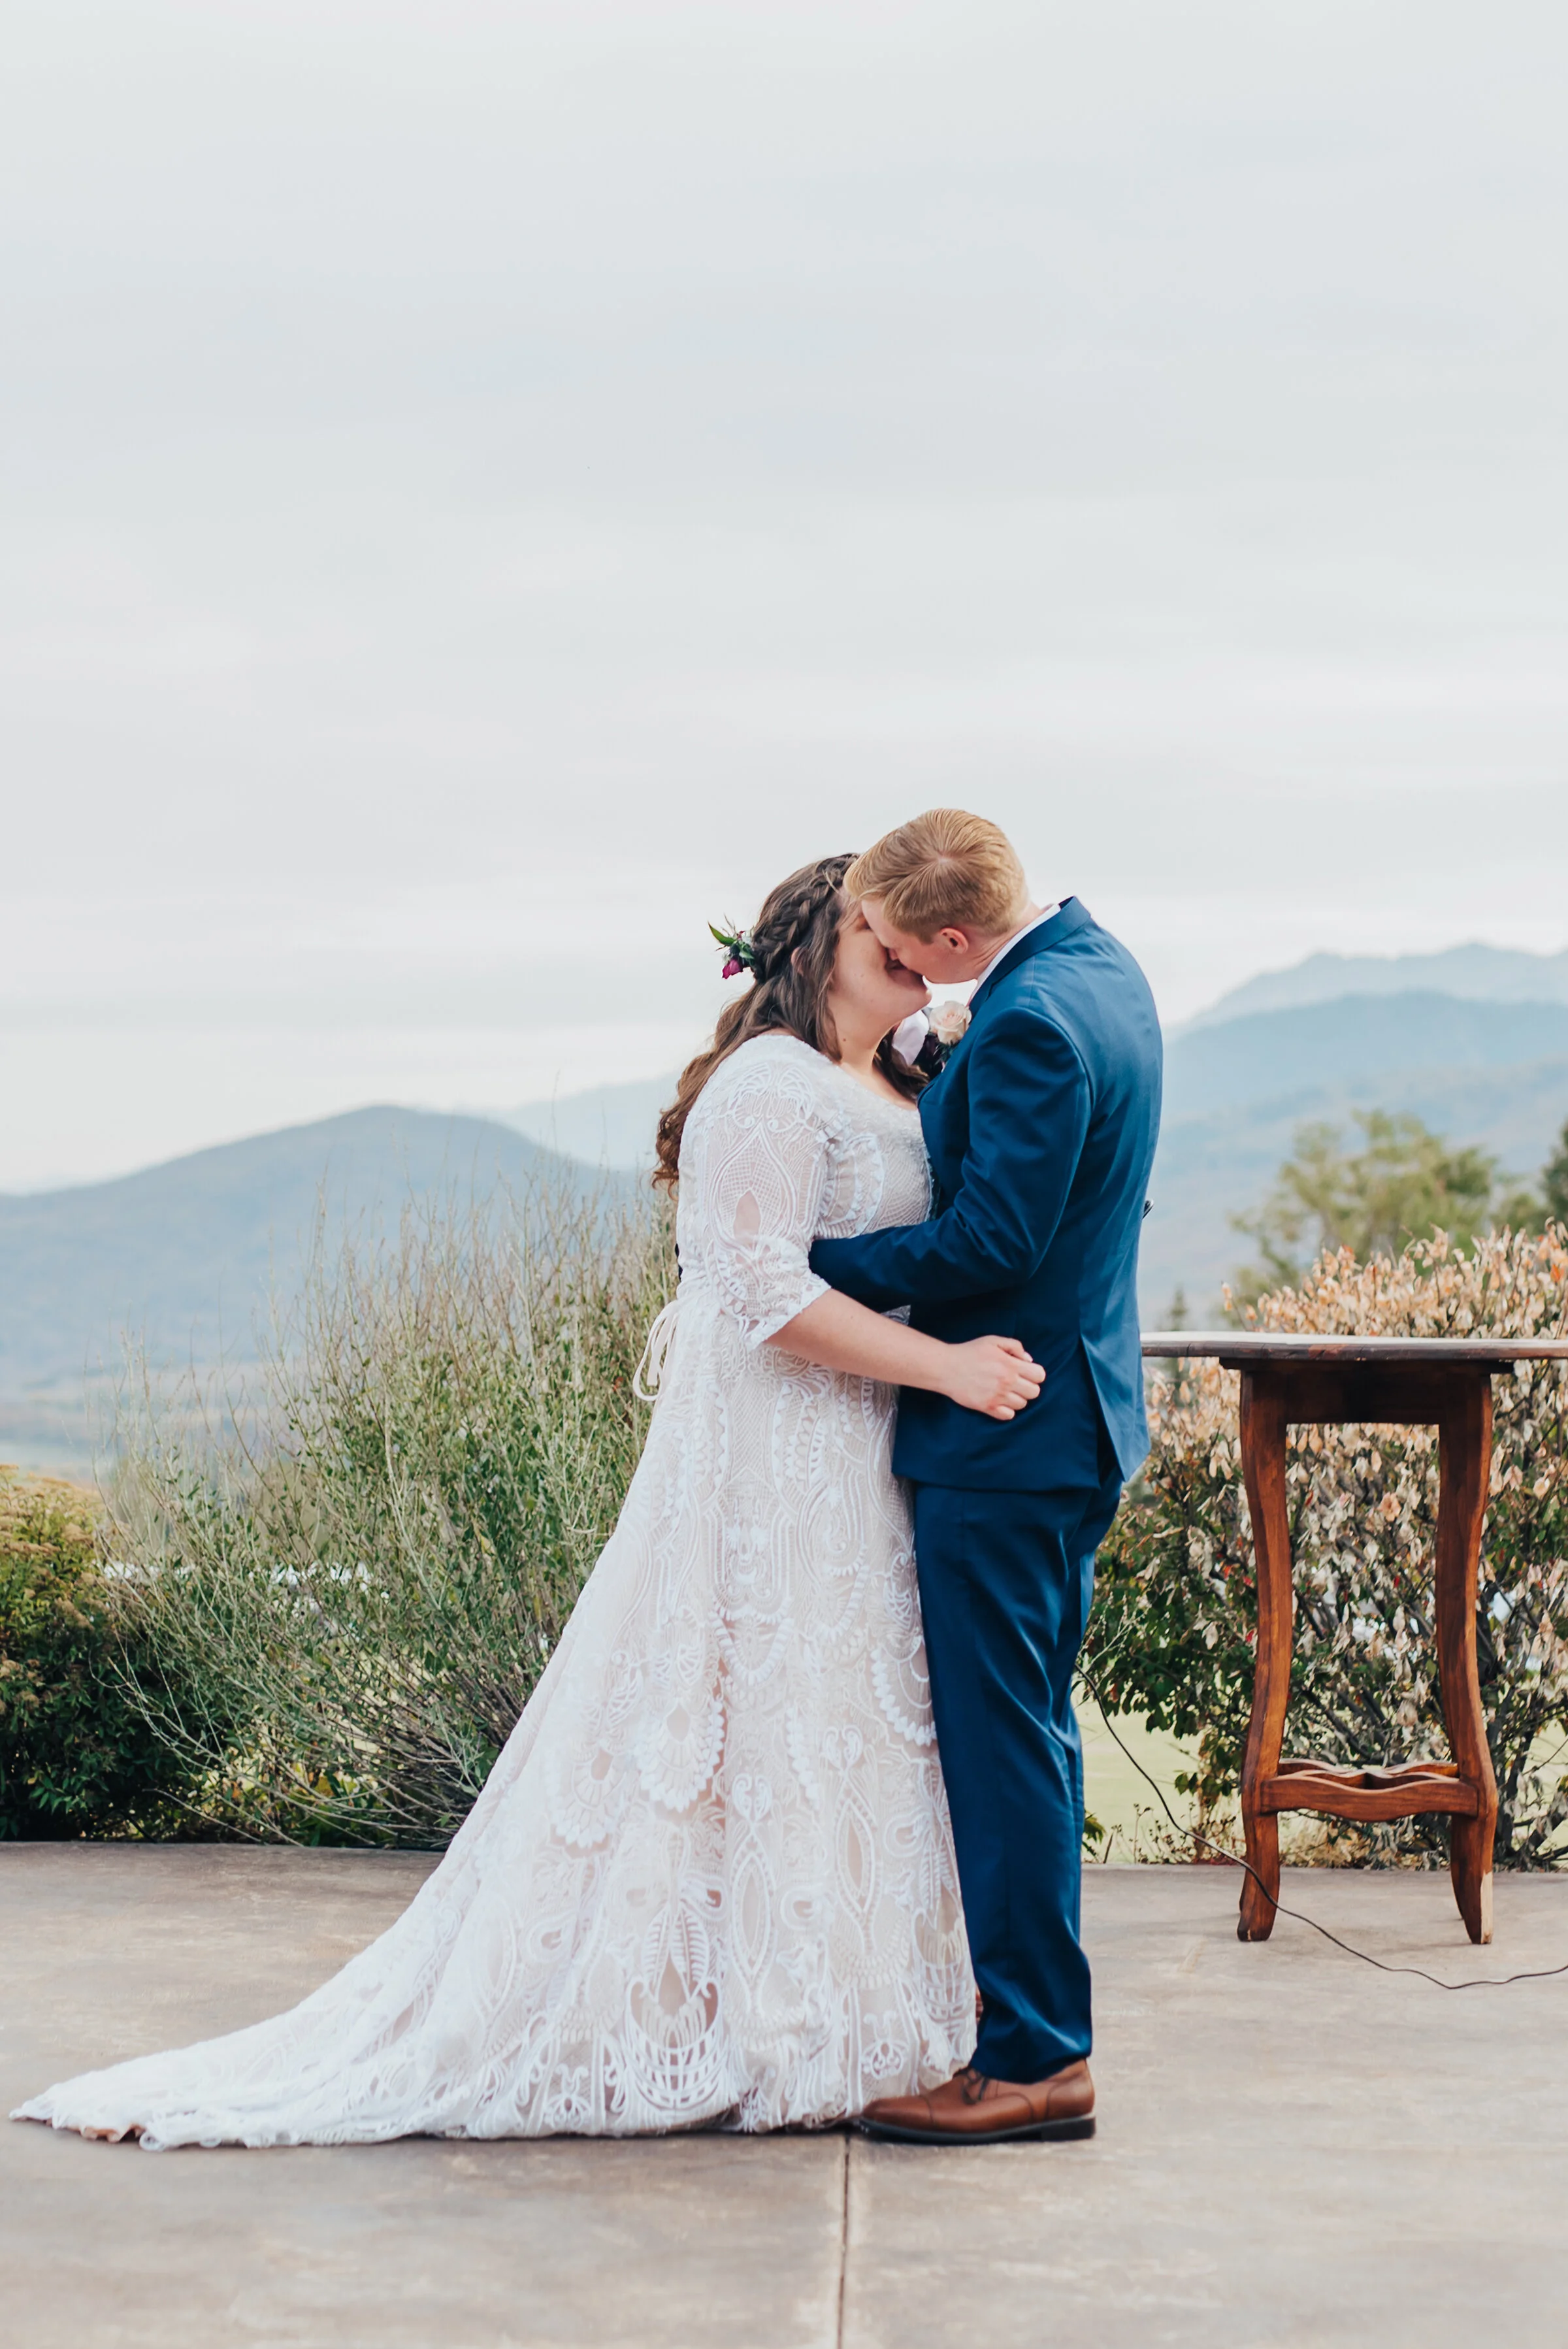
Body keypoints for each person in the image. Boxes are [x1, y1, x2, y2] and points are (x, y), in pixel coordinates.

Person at [14, 853, 1043, 2150]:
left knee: (834, 1721)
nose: (897, 943)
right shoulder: (765, 1088)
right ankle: (732, 2019)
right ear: (811, 942)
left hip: (862, 1460)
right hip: (776, 1457)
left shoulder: (888, 1079)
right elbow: (763, 1297)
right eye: (867, 922)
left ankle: (839, 2011)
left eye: (906, 926)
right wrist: (947, 1365)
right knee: (743, 1716)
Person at [809, 809, 1162, 2145]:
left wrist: (821, 1259)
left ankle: (1033, 2061)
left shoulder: (1026, 1023)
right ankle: (1034, 2034)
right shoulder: (1096, 967)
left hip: (1007, 1438)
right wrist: (930, 1060)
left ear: (957, 937)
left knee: (1003, 1748)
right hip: (1078, 1416)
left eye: (906, 951)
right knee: (1036, 1735)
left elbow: (983, 1245)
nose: (896, 967)